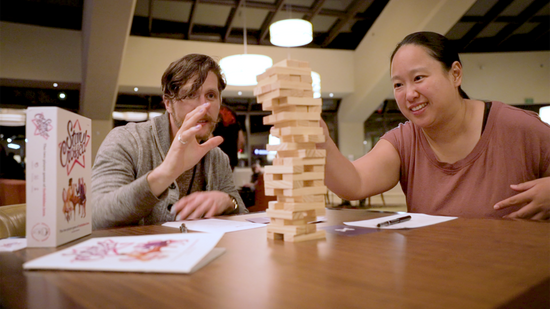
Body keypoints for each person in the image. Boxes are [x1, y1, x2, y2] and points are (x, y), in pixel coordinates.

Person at [318, 32, 550, 220]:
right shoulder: (404, 141)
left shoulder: (516, 126)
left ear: (455, 74)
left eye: (419, 78)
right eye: (398, 84)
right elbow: (354, 183)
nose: (409, 94)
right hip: (433, 272)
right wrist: (322, 142)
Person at [91, 54, 247, 229]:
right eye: (191, 94)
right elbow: (96, 215)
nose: (204, 106)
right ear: (168, 103)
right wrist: (165, 174)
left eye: (211, 95)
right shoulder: (127, 140)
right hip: (138, 254)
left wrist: (228, 202)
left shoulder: (216, 157)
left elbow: (243, 217)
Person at [212, 104, 245, 170]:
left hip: (217, 158)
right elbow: (241, 141)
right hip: (231, 159)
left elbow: (210, 139)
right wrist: (235, 151)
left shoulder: (215, 121)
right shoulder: (236, 123)